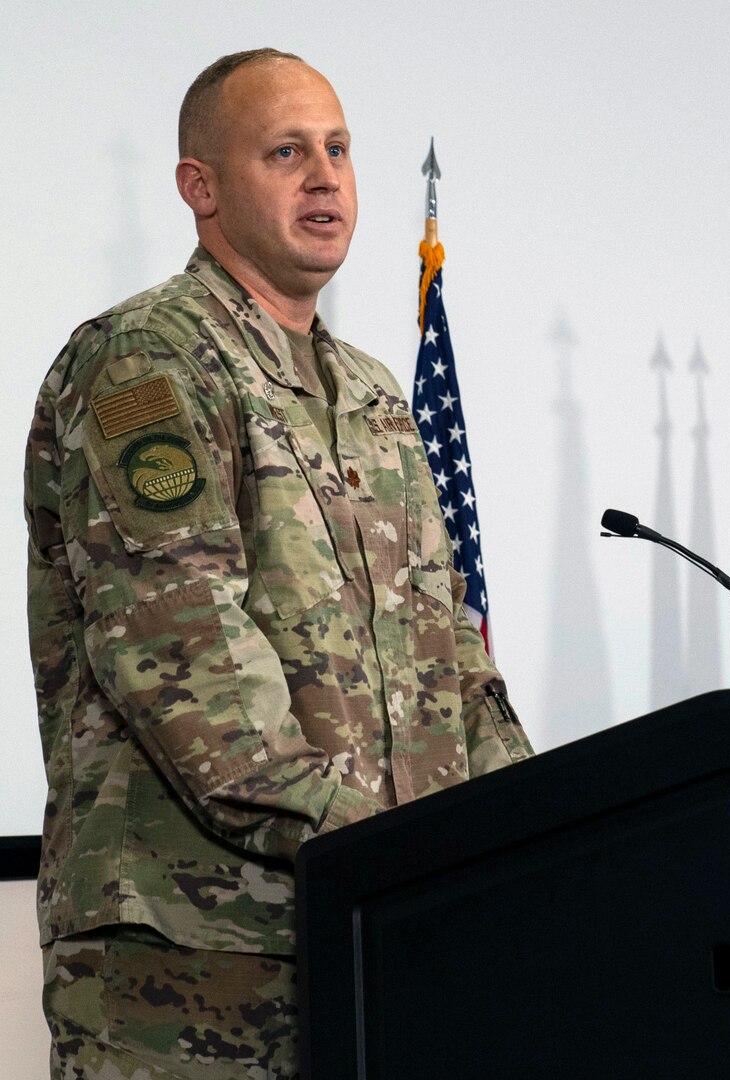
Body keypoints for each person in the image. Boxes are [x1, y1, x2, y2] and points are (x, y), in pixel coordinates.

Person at [25, 48, 533, 1080]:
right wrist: (411, 850)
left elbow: (455, 659)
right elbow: (183, 658)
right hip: (198, 970)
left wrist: (532, 830)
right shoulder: (144, 363)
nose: (325, 178)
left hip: (386, 940)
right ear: (200, 188)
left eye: (339, 150)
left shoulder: (376, 393)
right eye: (287, 151)